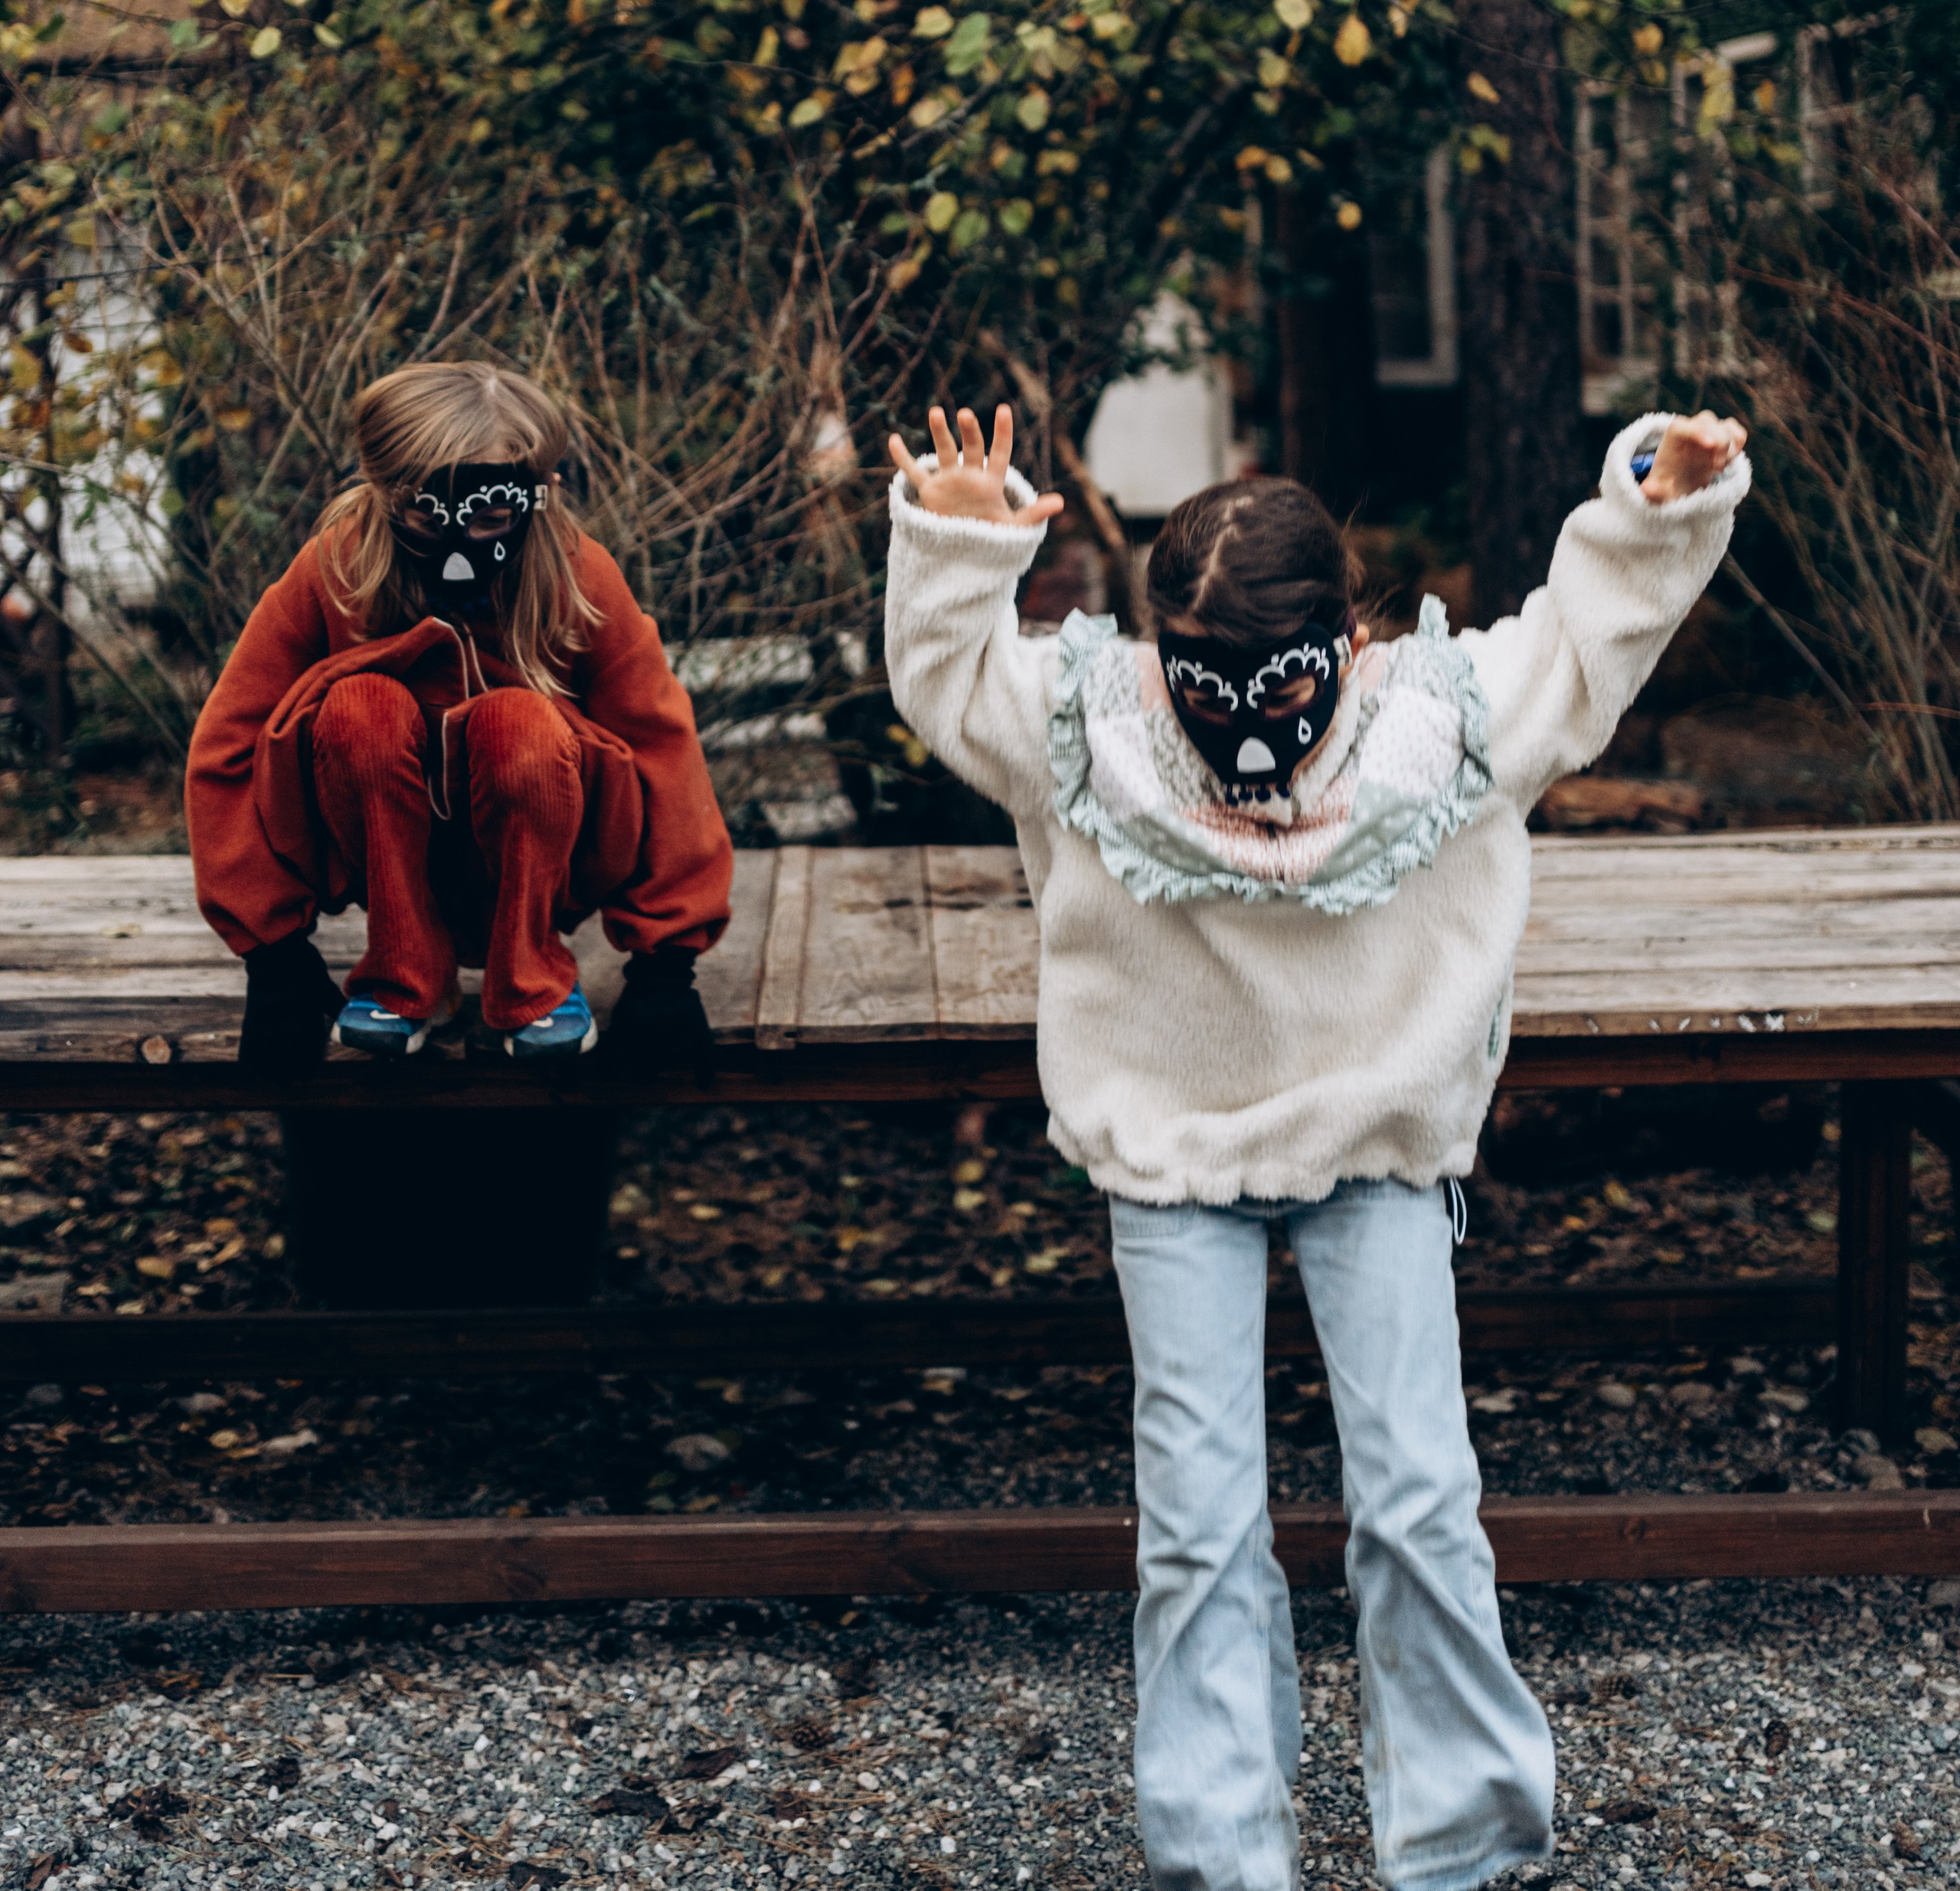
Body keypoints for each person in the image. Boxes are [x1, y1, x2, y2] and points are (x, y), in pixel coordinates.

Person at [883, 398, 1749, 1891]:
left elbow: (1589, 631)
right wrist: (954, 540)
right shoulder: (1094, 729)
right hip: (1168, 1154)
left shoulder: (1440, 722)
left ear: (1348, 641)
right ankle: (1220, 1849)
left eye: (1274, 682)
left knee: (1414, 1492)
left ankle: (1466, 1834)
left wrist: (1656, 499)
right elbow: (947, 681)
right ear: (1156, 652)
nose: (1243, 725)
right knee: (1198, 1515)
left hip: (1374, 1141)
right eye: (1207, 684)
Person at [187, 361, 730, 1073]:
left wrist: (668, 964)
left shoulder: (576, 574)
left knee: (521, 723)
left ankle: (532, 979)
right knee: (359, 706)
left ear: (539, 496)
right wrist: (273, 952)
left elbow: (660, 744)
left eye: (492, 518)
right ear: (383, 493)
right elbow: (229, 739)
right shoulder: (337, 566)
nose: (458, 546)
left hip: (544, 835)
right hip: (377, 843)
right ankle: (404, 975)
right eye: (424, 515)